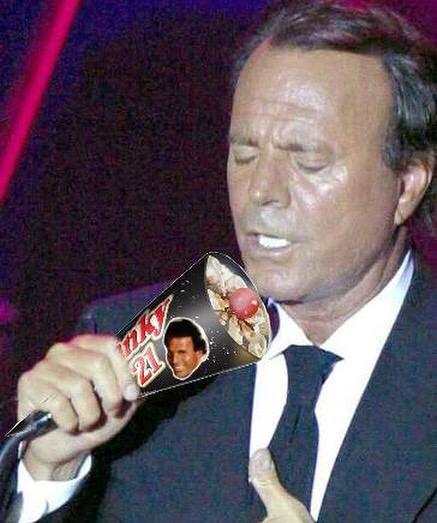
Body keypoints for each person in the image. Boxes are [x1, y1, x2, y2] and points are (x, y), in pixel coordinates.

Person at [5, 1, 437, 521]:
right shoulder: (135, 348)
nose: (261, 191)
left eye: (308, 160)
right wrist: (45, 475)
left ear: (407, 185)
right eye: (245, 154)